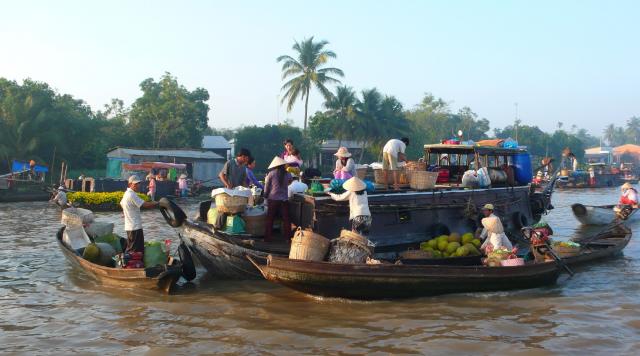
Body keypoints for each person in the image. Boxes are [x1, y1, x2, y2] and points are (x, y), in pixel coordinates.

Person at [120, 175, 160, 254]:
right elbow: (144, 204)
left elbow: (121, 203)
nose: (138, 186)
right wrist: (157, 203)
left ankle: (129, 263)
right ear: (130, 184)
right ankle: (132, 265)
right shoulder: (131, 195)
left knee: (132, 248)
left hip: (129, 227)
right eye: (135, 184)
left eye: (138, 183)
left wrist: (126, 212)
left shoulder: (126, 193)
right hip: (135, 227)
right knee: (135, 251)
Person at [263, 156, 292, 242]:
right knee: (286, 219)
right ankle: (287, 238)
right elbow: (290, 182)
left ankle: (267, 238)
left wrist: (265, 196)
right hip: (284, 199)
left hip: (273, 199)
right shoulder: (287, 173)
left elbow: (266, 186)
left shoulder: (271, 173)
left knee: (270, 218)